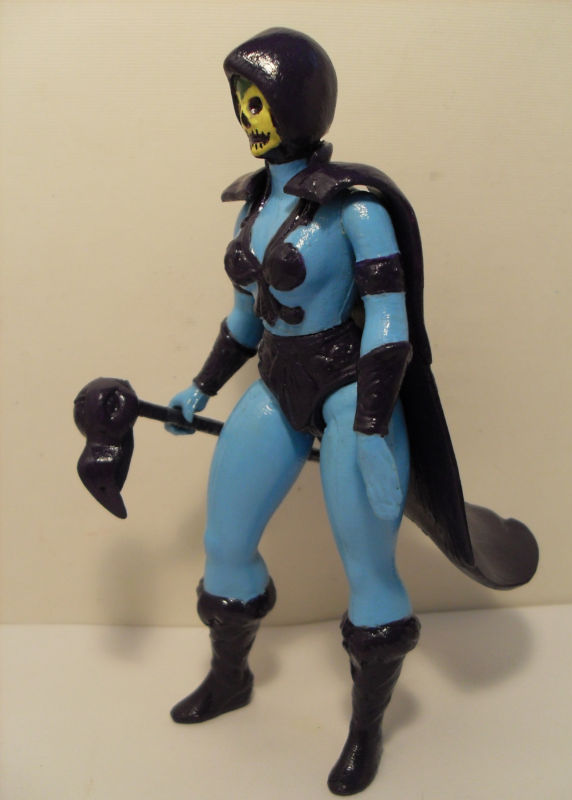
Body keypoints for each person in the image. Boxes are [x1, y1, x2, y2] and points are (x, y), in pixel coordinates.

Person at [165, 28, 537, 796]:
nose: (251, 118)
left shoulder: (357, 210)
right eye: (242, 102)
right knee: (225, 542)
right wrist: (199, 388)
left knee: (368, 569)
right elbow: (244, 319)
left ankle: (367, 728)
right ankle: (230, 678)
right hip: (277, 383)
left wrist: (369, 425)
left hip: (347, 390)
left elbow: (391, 327)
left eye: (261, 101)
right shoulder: (252, 206)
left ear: (300, 102)